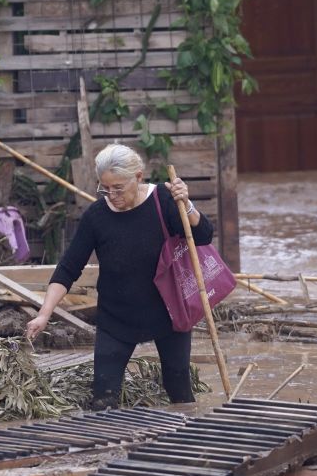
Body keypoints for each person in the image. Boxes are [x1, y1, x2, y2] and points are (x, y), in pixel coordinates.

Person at [25, 143, 212, 409]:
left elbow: (204, 235)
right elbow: (68, 268)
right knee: (103, 398)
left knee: (180, 394)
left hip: (168, 314)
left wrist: (188, 204)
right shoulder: (96, 217)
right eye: (105, 188)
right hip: (117, 318)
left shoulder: (164, 200)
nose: (111, 195)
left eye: (118, 188)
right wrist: (44, 313)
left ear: (138, 177)